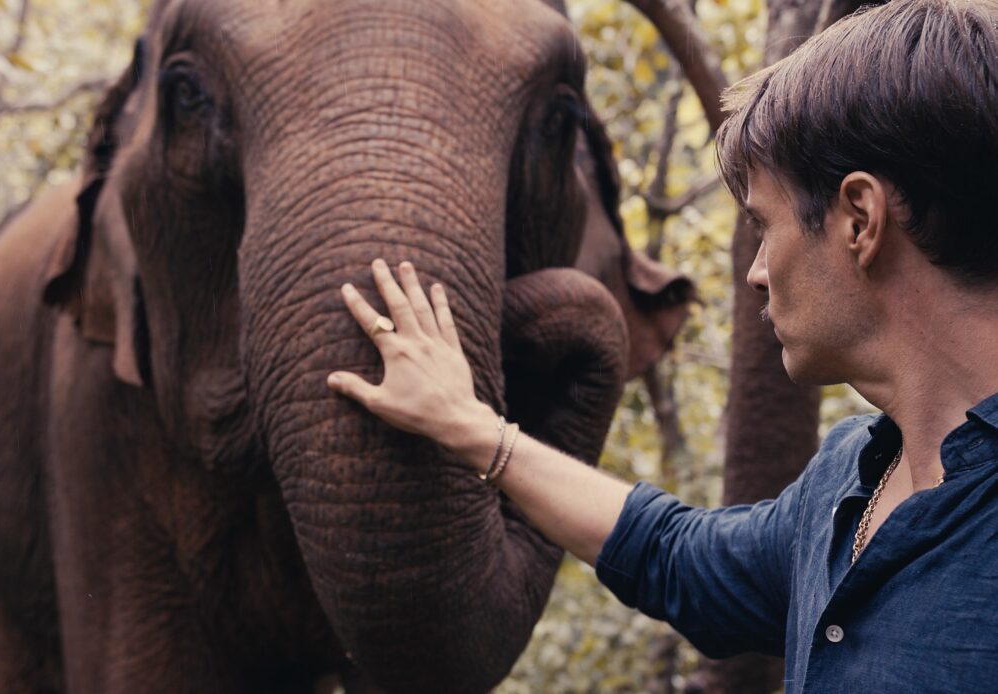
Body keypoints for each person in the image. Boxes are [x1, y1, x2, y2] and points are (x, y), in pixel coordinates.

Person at [325, 0, 998, 690]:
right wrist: (468, 427)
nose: (756, 272)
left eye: (764, 227)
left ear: (860, 220)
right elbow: (675, 556)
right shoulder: (850, 478)